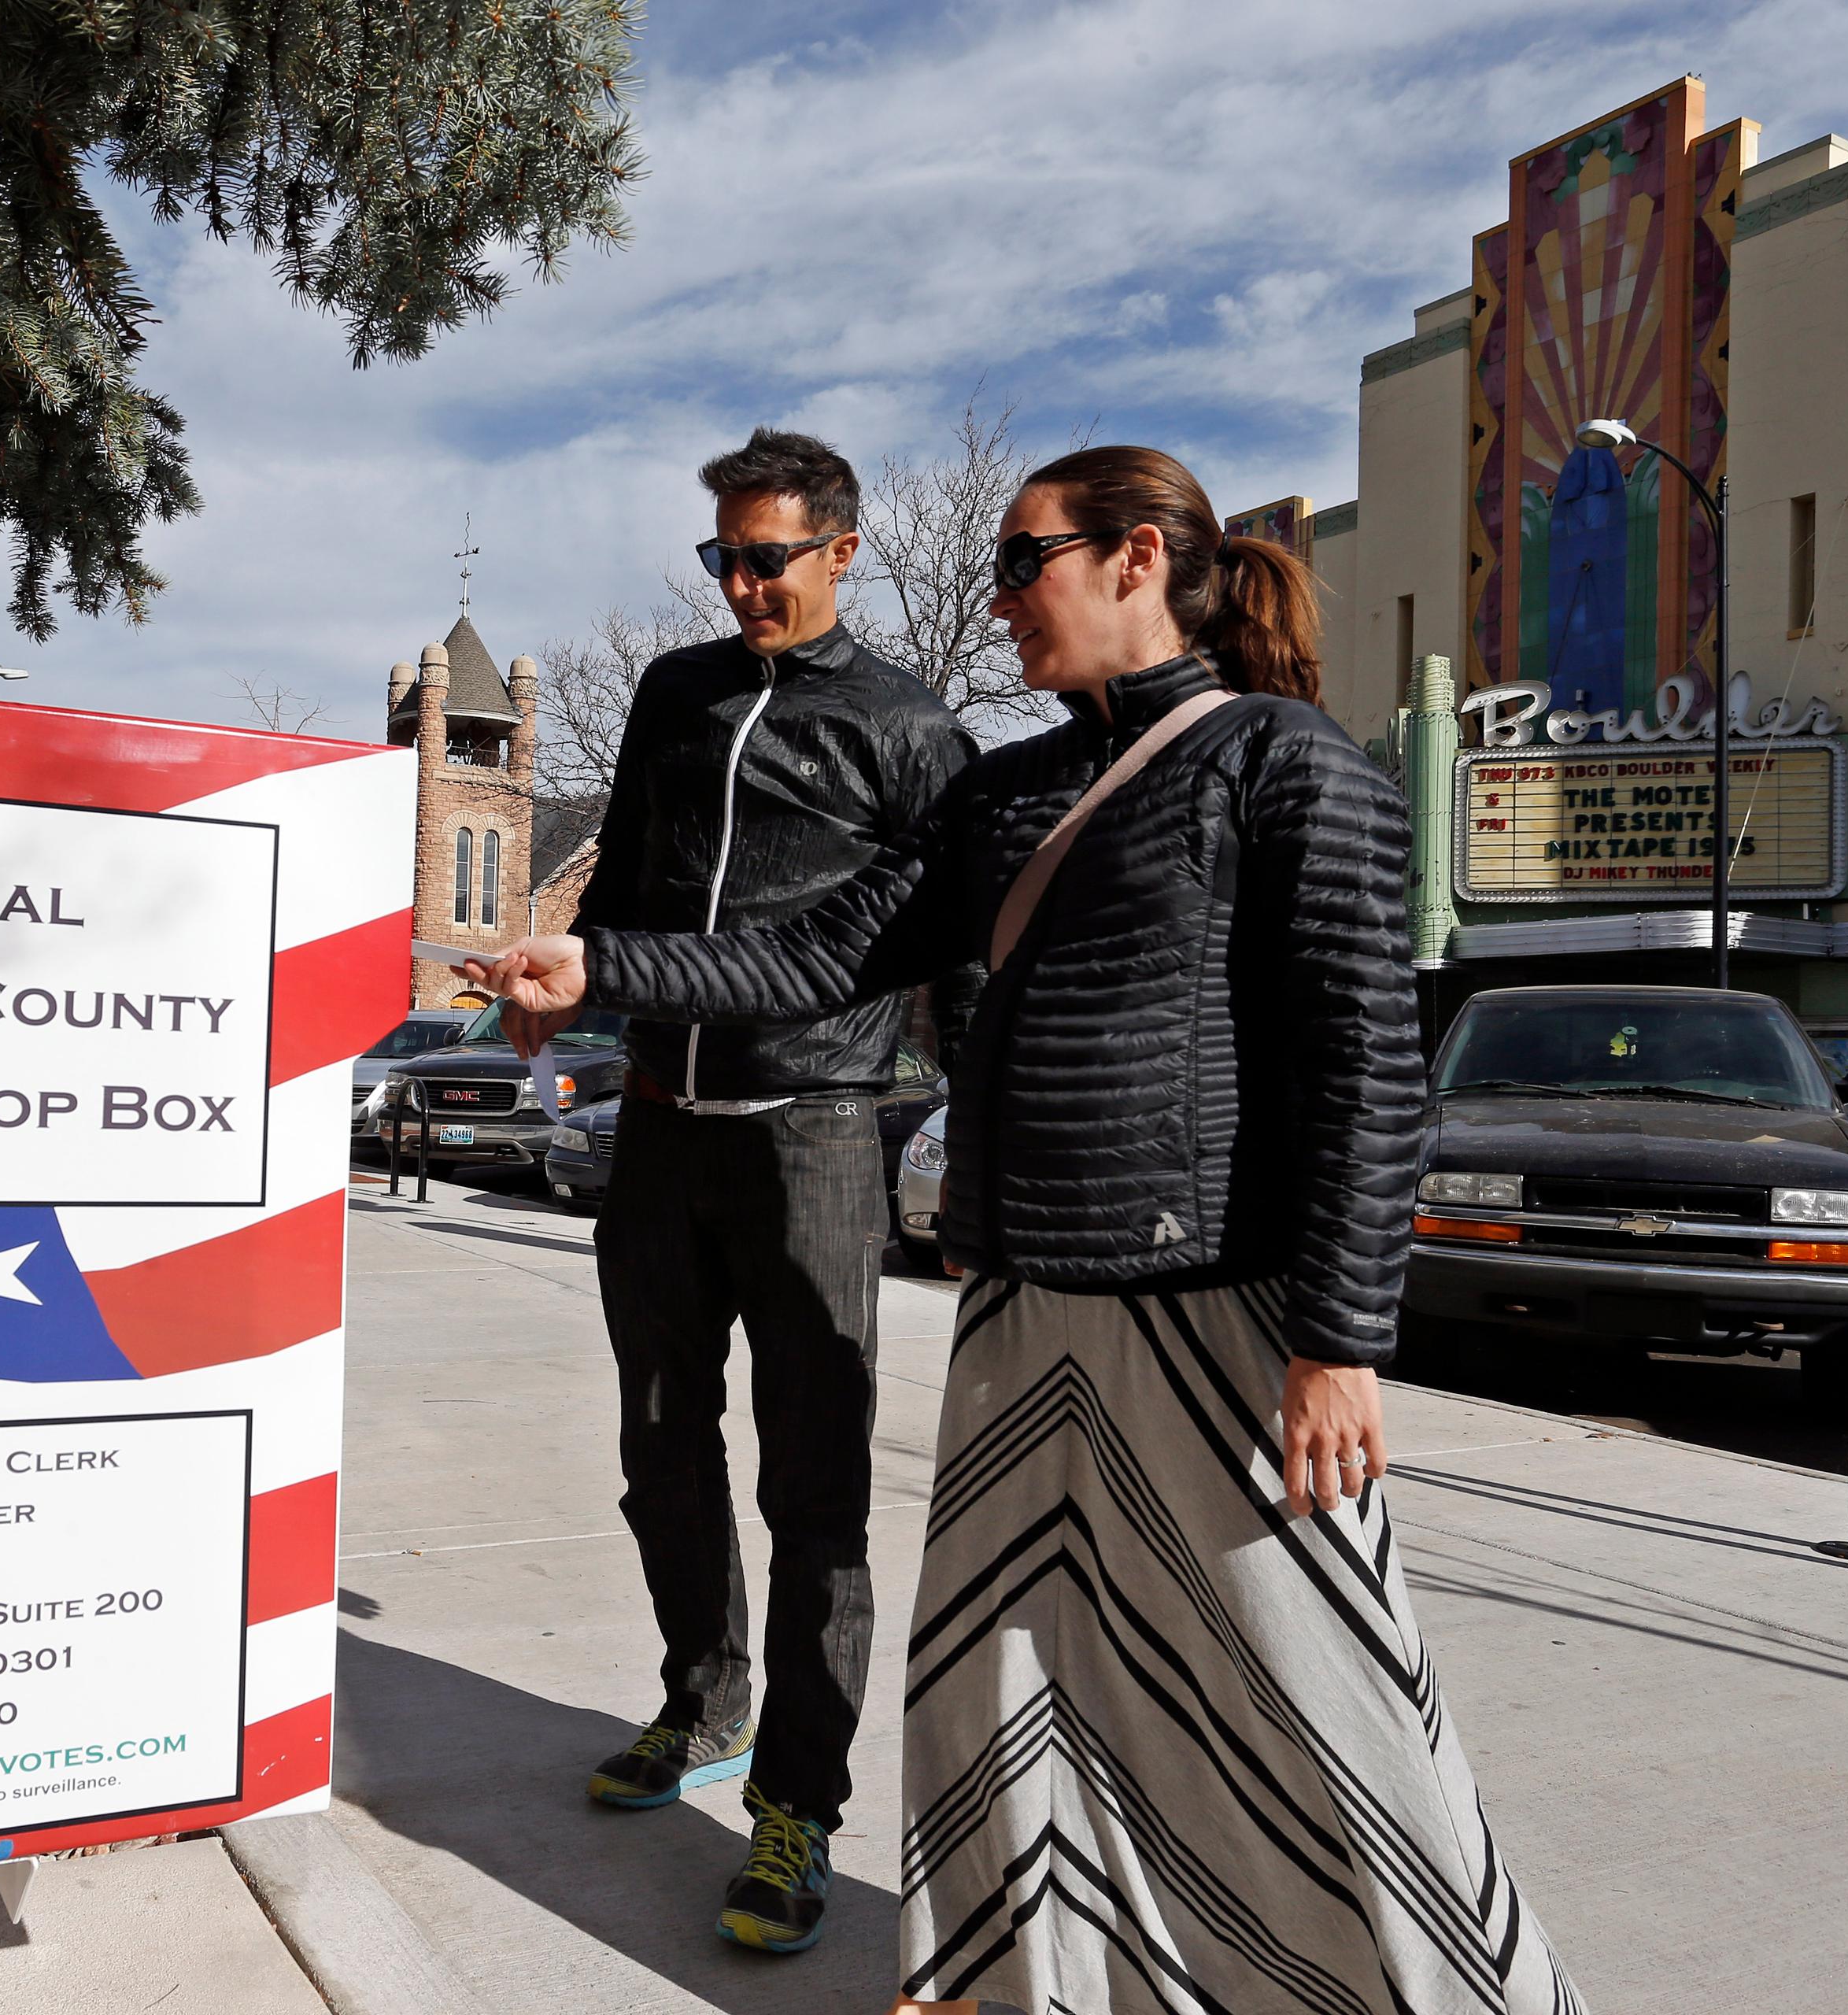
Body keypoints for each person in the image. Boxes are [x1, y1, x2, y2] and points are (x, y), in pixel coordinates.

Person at [472, 446, 1582, 2013]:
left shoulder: (1286, 764)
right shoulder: (1005, 789)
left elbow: (1366, 1073)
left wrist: (1340, 1339)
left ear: (1137, 556)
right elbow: (816, 957)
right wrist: (605, 971)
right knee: (999, 1683)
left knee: (1317, 1702)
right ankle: (1014, 1976)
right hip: (1024, 1318)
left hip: (1217, 1320)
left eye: (1019, 563)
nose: (997, 603)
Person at [538, 427, 981, 1958]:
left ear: (841, 550)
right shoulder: (677, 691)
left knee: (817, 1494)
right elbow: (622, 897)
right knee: (662, 1448)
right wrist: (568, 989)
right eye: (721, 557)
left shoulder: (912, 731)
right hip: (660, 1128)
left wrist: (983, 1144)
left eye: (767, 558)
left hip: (817, 1144)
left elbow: (960, 952)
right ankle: (703, 1695)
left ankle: (797, 1803)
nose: (741, 585)